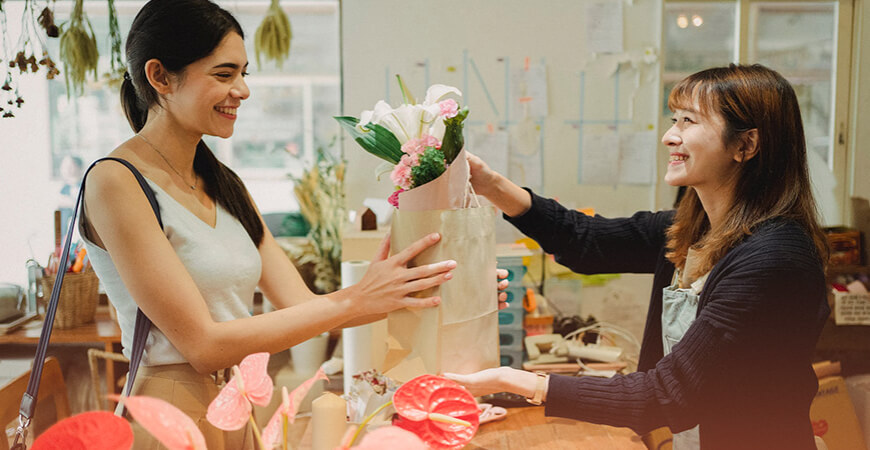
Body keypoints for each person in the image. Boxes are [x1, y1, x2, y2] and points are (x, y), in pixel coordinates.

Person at [77, 1, 507, 447]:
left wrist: (430, 289)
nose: (242, 90)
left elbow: (301, 305)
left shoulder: (224, 184)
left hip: (237, 405)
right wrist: (357, 298)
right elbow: (203, 347)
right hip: (168, 412)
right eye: (224, 75)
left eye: (244, 74)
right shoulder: (115, 182)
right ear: (160, 77)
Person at [447, 64, 830, 450]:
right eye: (673, 119)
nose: (669, 136)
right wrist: (490, 183)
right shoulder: (690, 230)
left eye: (689, 121)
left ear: (745, 145)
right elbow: (585, 240)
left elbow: (664, 395)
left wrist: (521, 382)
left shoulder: (774, 259)